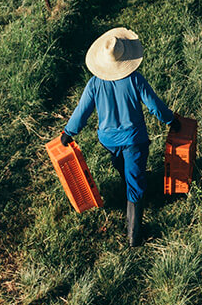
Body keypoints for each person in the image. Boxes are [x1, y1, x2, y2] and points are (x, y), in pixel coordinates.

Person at [59, 27, 180, 247]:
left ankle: (132, 185)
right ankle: (134, 235)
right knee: (134, 182)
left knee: (123, 167)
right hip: (134, 140)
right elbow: (154, 105)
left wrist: (69, 132)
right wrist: (171, 120)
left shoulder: (95, 83)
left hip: (108, 140)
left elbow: (82, 111)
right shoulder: (135, 79)